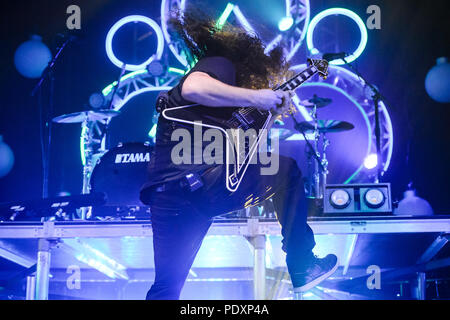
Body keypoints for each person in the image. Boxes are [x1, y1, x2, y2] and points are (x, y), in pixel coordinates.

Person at [140, 8, 338, 300]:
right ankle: (302, 263)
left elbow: (242, 155)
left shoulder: (219, 104)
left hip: (172, 197)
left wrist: (268, 113)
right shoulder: (220, 63)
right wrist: (258, 97)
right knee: (287, 172)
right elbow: (194, 87)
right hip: (201, 186)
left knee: (166, 288)